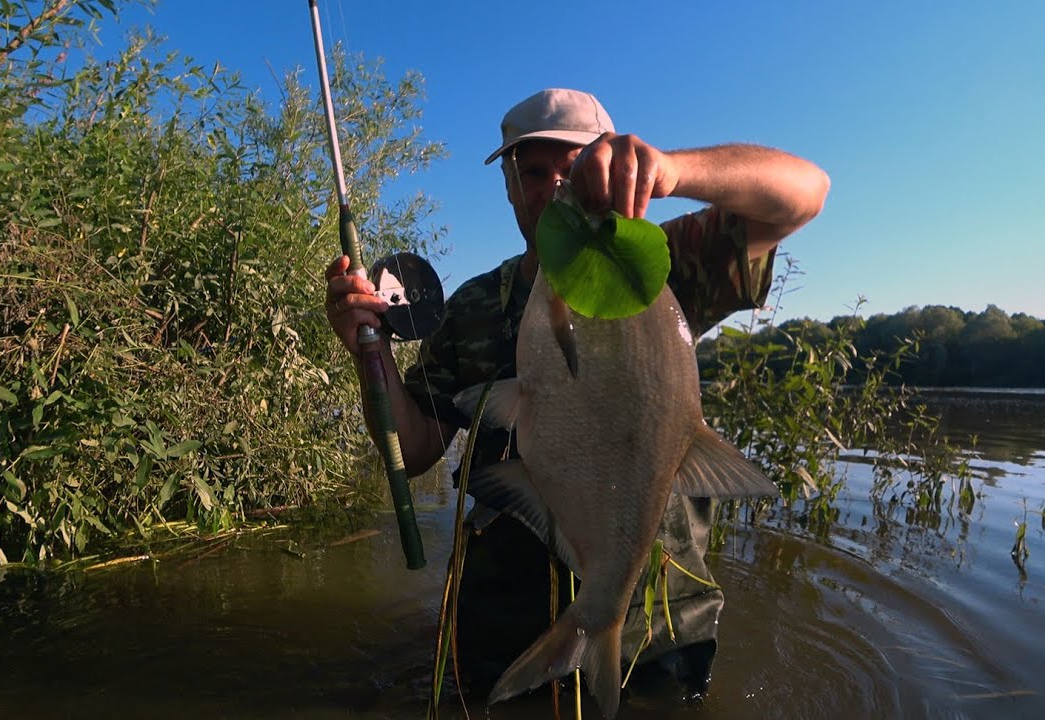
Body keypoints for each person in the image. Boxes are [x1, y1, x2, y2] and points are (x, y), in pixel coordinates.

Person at [325, 88, 829, 700]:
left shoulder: (664, 265)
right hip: (501, 625)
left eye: (577, 166)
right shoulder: (472, 309)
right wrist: (369, 354)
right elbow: (416, 448)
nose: (556, 186)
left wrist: (675, 170)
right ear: (510, 186)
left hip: (658, 629)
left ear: (618, 168)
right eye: (534, 172)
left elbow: (805, 193)